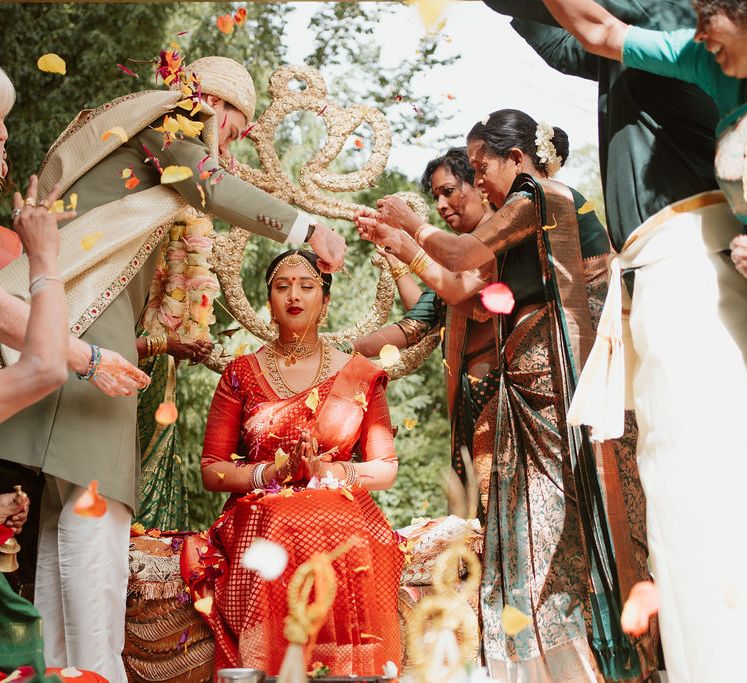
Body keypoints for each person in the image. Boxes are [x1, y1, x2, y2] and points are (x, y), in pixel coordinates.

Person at [0, 56, 346, 682]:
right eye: (236, 122)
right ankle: (97, 672)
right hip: (89, 321)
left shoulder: (138, 128)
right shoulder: (176, 113)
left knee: (61, 520)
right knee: (95, 510)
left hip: (69, 316)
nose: (233, 137)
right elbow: (208, 181)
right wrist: (306, 225)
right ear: (212, 101)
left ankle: (57, 674)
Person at [358, 109, 655, 681]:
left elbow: (463, 264)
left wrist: (412, 230)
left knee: (569, 526)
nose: (478, 183)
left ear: (516, 160)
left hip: (569, 387)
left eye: (477, 169)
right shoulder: (524, 219)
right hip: (534, 395)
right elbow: (458, 292)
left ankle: (594, 656)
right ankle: (550, 659)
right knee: (534, 534)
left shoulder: (540, 199)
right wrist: (402, 242)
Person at [534, 2, 747, 680]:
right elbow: (589, 34)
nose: (696, 26)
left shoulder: (682, 24)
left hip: (693, 262)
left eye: (710, 13)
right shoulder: (709, 64)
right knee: (684, 486)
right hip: (680, 268)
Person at [182, 249, 402, 677]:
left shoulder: (359, 373)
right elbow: (212, 469)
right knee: (284, 518)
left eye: (307, 286)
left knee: (329, 520)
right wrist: (274, 474)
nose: (294, 295)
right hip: (260, 513)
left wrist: (330, 472)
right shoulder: (241, 373)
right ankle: (273, 665)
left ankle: (344, 670)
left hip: (340, 509)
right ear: (269, 301)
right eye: (282, 287)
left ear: (326, 300)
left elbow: (386, 468)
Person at [482, 0, 720, 253]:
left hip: (685, 241)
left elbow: (594, 29)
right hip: (655, 246)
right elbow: (566, 46)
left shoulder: (662, 16)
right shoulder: (639, 40)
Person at [353, 148, 501, 510]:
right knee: (474, 513)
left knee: (499, 501)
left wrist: (406, 245)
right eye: (436, 196)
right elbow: (417, 321)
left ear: (479, 185)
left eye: (449, 190)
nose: (442, 204)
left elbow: (459, 292)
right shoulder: (447, 265)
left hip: (504, 397)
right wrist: (342, 352)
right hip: (470, 397)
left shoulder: (498, 239)